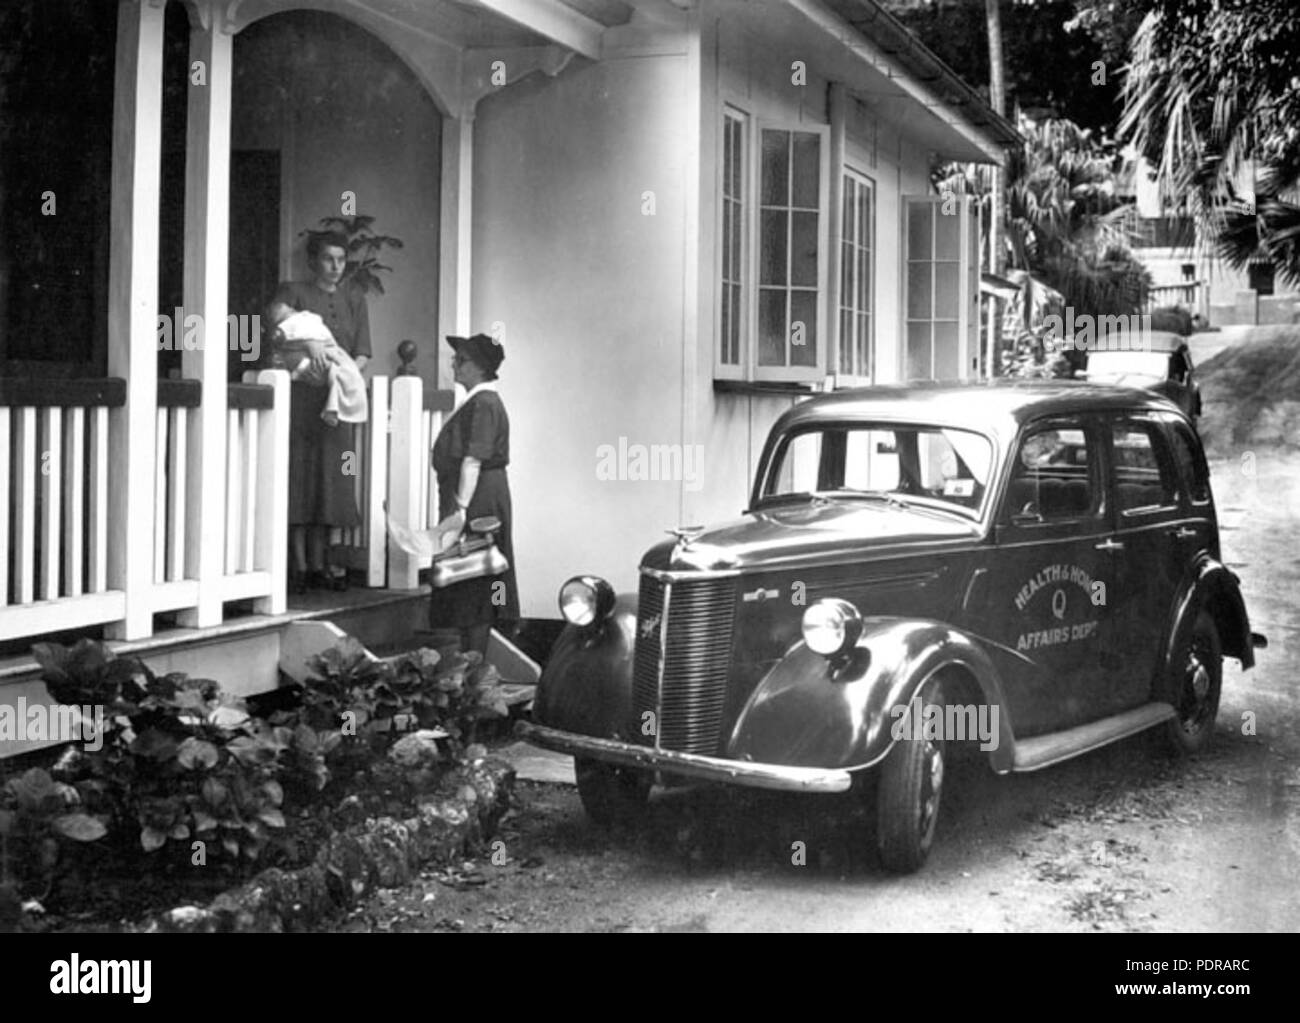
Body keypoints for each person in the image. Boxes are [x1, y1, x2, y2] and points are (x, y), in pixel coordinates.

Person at [271, 232, 371, 592]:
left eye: (341, 259)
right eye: (328, 259)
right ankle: (299, 566)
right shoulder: (292, 292)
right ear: (314, 261)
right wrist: (307, 354)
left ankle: (324, 562)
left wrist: (341, 375)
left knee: (334, 480)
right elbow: (277, 336)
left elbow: (361, 352)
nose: (335, 266)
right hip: (301, 401)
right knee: (300, 478)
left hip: (334, 402)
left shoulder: (354, 299)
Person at [429, 333, 519, 655]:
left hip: (479, 497)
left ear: (480, 368)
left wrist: (461, 508)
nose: (455, 363)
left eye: (462, 359)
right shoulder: (477, 401)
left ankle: (474, 669)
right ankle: (467, 664)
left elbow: (473, 459)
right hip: (477, 494)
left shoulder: (484, 403)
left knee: (478, 575)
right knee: (466, 576)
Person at [266, 300, 368, 426]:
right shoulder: (292, 296)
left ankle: (335, 406)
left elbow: (362, 354)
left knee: (342, 374)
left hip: (331, 369)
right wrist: (306, 344)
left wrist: (341, 368)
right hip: (301, 395)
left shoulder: (352, 298)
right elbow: (273, 345)